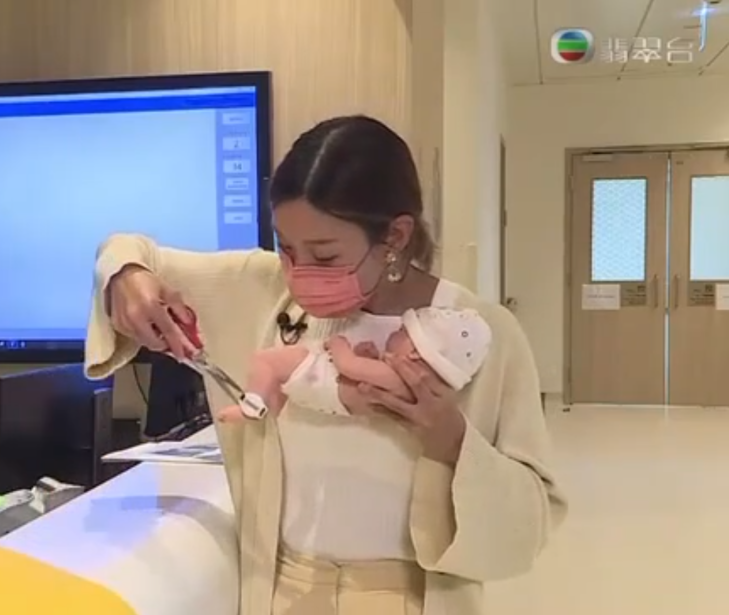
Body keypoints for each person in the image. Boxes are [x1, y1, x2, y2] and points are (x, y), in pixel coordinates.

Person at [84, 115, 566, 615]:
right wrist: (126, 278)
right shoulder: (262, 290)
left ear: (396, 236)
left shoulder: (478, 334)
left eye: (325, 256)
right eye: (286, 249)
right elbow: (124, 251)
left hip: (414, 599)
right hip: (281, 592)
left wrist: (451, 439)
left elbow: (533, 514)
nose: (298, 275)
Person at [213, 307, 493, 424]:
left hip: (318, 377)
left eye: (403, 332)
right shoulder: (405, 386)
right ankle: (270, 403)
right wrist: (365, 356)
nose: (395, 333)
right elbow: (360, 377)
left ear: (416, 355)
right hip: (323, 389)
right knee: (277, 373)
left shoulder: (395, 376)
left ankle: (251, 404)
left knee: (265, 361)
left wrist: (340, 346)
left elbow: (348, 367)